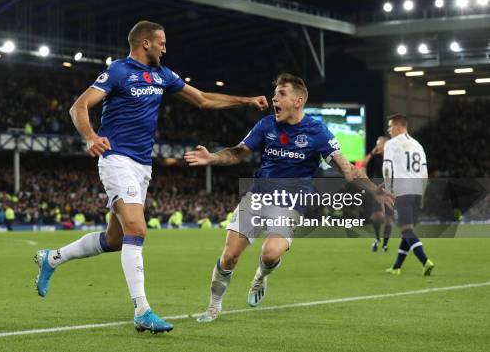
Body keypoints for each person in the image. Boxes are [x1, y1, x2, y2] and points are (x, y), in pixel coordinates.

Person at [33, 20, 268, 333]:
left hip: (143, 166)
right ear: (145, 43)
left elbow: (202, 99)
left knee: (115, 239)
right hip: (116, 159)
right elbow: (78, 107)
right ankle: (142, 310)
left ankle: (53, 258)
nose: (165, 48)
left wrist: (245, 101)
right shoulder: (118, 71)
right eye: (162, 42)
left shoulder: (162, 75)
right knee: (137, 229)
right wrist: (90, 137)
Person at [184, 73, 394, 323]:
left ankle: (260, 276)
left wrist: (375, 190)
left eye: (281, 94)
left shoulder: (317, 131)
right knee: (229, 256)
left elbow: (347, 169)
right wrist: (212, 158)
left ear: (298, 101)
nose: (274, 99)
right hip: (258, 195)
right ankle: (213, 306)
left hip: (291, 202)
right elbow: (238, 152)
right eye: (274, 94)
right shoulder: (266, 125)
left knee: (270, 253)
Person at [383, 114, 434, 276]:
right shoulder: (418, 145)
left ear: (398, 127)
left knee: (406, 231)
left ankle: (425, 261)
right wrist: (423, 194)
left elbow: (387, 168)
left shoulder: (391, 144)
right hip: (417, 191)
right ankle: (396, 267)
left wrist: (389, 189)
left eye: (390, 126)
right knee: (408, 230)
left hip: (402, 191)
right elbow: (425, 174)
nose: (388, 129)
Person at [362, 136, 393, 251]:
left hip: (389, 191)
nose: (377, 146)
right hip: (377, 192)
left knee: (388, 219)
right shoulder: (376, 158)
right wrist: (372, 152)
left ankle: (385, 244)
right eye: (377, 144)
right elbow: (362, 164)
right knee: (376, 217)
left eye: (379, 144)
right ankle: (377, 239)